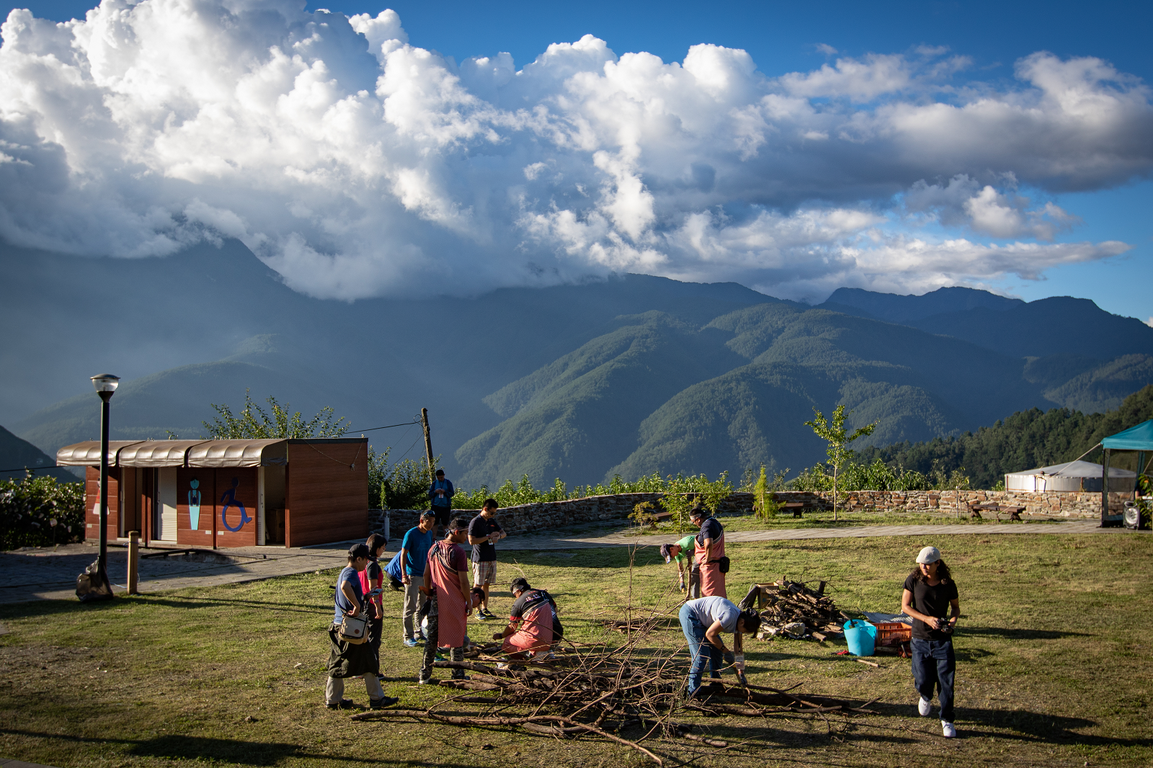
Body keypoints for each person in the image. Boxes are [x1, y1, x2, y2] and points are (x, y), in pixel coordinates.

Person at [325, 543, 398, 710]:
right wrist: (357, 607)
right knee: (368, 663)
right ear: (358, 558)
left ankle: (333, 700)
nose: (366, 564)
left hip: (342, 627)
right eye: (365, 560)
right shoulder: (350, 572)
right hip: (350, 628)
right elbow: (345, 587)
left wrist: (365, 597)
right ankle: (377, 699)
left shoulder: (346, 571)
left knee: (339, 663)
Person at [901, 545, 961, 739]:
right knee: (923, 678)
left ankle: (947, 720)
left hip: (942, 641)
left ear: (937, 563)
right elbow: (905, 606)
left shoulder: (947, 584)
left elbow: (955, 608)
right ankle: (925, 695)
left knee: (946, 682)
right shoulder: (913, 580)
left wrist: (951, 622)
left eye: (927, 564)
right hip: (920, 638)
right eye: (920, 563)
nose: (923, 567)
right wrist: (926, 619)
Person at [418, 517, 474, 685]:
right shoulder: (458, 552)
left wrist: (429, 593)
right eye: (465, 533)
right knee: (457, 639)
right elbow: (463, 582)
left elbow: (426, 574)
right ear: (456, 532)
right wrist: (469, 601)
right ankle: (457, 673)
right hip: (454, 600)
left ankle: (424, 674)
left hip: (436, 599)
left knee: (432, 640)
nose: (466, 537)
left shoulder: (434, 548)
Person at [678, 595, 760, 697]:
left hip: (704, 621)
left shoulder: (740, 620)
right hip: (691, 614)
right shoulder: (729, 616)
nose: (743, 633)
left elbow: (738, 649)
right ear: (742, 622)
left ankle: (715, 684)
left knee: (717, 651)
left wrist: (741, 671)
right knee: (701, 655)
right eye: (746, 631)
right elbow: (710, 634)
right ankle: (693, 692)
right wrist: (725, 651)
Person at [493, 577, 559, 659]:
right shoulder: (543, 593)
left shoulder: (518, 603)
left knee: (507, 642)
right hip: (556, 635)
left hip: (535, 640)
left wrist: (501, 635)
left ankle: (530, 655)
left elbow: (512, 627)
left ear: (518, 591)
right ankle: (548, 650)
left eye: (514, 595)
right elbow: (555, 611)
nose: (515, 597)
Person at [400, 511, 435, 647]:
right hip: (413, 575)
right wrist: (404, 574)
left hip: (425, 575)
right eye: (429, 521)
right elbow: (403, 554)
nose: (431, 524)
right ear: (422, 520)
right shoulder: (411, 534)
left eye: (433, 521)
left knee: (423, 606)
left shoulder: (429, 534)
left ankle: (418, 631)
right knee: (410, 606)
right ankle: (407, 635)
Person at [468, 498, 505, 619]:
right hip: (480, 558)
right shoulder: (475, 522)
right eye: (491, 512)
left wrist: (498, 536)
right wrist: (488, 536)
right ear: (485, 509)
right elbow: (471, 541)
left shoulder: (491, 521)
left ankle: (485, 608)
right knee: (477, 585)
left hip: (491, 557)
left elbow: (503, 533)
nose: (492, 515)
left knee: (486, 584)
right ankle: (477, 609)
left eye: (494, 513)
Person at [359, 533, 388, 663]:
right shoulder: (373, 565)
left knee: (365, 636)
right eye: (382, 547)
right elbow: (374, 589)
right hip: (371, 605)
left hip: (363, 603)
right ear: (376, 548)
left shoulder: (364, 563)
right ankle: (372, 668)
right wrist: (377, 607)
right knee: (374, 638)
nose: (384, 550)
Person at [691, 507, 727, 598]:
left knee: (709, 594)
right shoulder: (715, 522)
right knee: (719, 594)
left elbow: (708, 543)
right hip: (719, 566)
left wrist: (707, 558)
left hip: (710, 568)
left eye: (693, 522)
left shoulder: (706, 526)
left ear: (698, 519)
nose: (694, 524)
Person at [660, 533, 701, 598]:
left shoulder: (687, 543)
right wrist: (681, 582)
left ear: (671, 549)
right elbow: (680, 569)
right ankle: (695, 598)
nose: (673, 557)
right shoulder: (677, 554)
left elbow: (703, 545)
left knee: (695, 572)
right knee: (694, 575)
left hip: (707, 550)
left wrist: (694, 551)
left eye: (671, 556)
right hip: (698, 555)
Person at [428, 469, 455, 533]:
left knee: (445, 523)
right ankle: (434, 537)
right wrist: (435, 492)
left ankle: (446, 537)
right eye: (438, 478)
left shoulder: (448, 483)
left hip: (446, 506)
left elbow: (452, 493)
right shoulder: (434, 483)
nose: (440, 479)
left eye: (441, 477)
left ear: (444, 475)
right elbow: (430, 494)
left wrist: (445, 492)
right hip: (436, 506)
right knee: (435, 522)